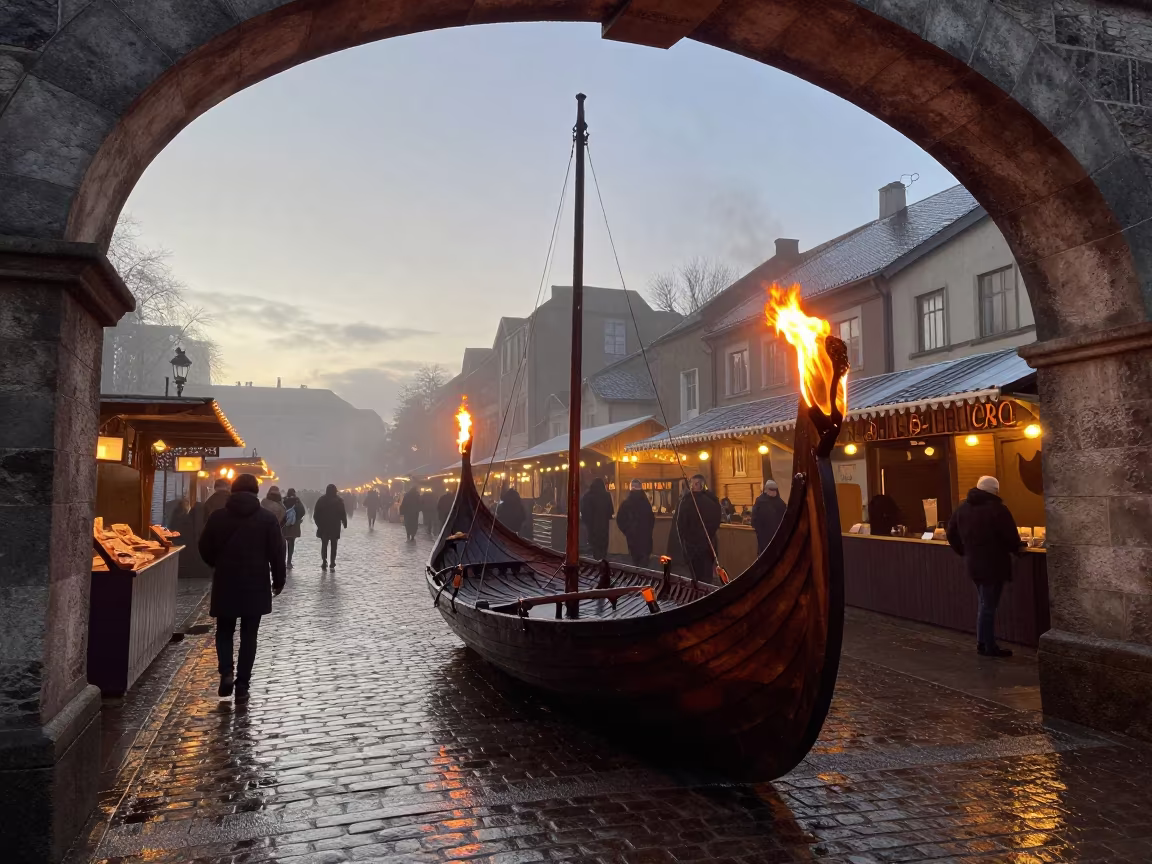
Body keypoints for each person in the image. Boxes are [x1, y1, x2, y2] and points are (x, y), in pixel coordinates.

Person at [198, 473, 285, 703]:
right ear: (256, 491)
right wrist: (278, 579)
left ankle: (226, 671)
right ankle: (243, 684)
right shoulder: (267, 519)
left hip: (226, 581)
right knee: (249, 635)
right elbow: (277, 552)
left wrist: (217, 563)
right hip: (255, 583)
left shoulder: (218, 517)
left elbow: (204, 547)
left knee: (225, 630)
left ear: (233, 491)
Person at [946, 475, 1024, 658]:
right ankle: (987, 646)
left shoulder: (963, 508)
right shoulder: (998, 509)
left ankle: (983, 642)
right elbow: (1011, 536)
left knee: (984, 603)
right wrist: (1018, 548)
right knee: (988, 605)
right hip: (994, 563)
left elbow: (951, 533)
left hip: (974, 563)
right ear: (994, 490)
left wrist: (964, 551)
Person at [676, 474, 722, 584]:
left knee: (705, 575)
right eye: (692, 483)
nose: (693, 486)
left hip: (705, 543)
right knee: (696, 575)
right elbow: (680, 524)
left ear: (701, 485)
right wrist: (685, 541)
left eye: (696, 483)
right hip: (693, 544)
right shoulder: (686, 501)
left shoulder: (710, 501)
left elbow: (715, 521)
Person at [616, 479, 655, 566]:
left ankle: (638, 577)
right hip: (646, 538)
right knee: (644, 563)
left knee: (635, 562)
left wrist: (627, 531)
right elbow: (651, 520)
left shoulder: (626, 503)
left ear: (631, 488)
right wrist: (648, 531)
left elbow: (620, 519)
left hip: (632, 538)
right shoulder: (646, 503)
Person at [312, 484, 348, 570]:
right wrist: (344, 522)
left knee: (324, 545)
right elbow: (342, 513)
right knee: (334, 545)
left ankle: (324, 561)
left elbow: (316, 514)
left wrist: (319, 525)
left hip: (324, 526)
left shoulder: (321, 500)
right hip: (335, 526)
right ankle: (332, 562)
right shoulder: (339, 501)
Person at [580, 477, 615, 560]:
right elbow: (611, 511)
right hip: (604, 525)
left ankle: (596, 558)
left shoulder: (587, 496)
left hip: (591, 525)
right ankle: (603, 559)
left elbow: (583, 510)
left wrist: (587, 521)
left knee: (594, 544)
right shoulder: (607, 495)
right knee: (603, 544)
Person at [752, 479, 787, 554]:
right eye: (771, 490)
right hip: (764, 536)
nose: (773, 492)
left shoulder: (780, 503)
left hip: (777, 536)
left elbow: (785, 517)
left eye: (775, 490)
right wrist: (759, 531)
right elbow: (755, 518)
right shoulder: (760, 502)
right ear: (766, 490)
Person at [281, 487, 305, 569]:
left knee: (283, 544)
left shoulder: (283, 500)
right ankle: (289, 562)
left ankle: (282, 561)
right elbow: (303, 511)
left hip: (284, 525)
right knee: (291, 544)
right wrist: (297, 519)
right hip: (294, 525)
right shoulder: (297, 501)